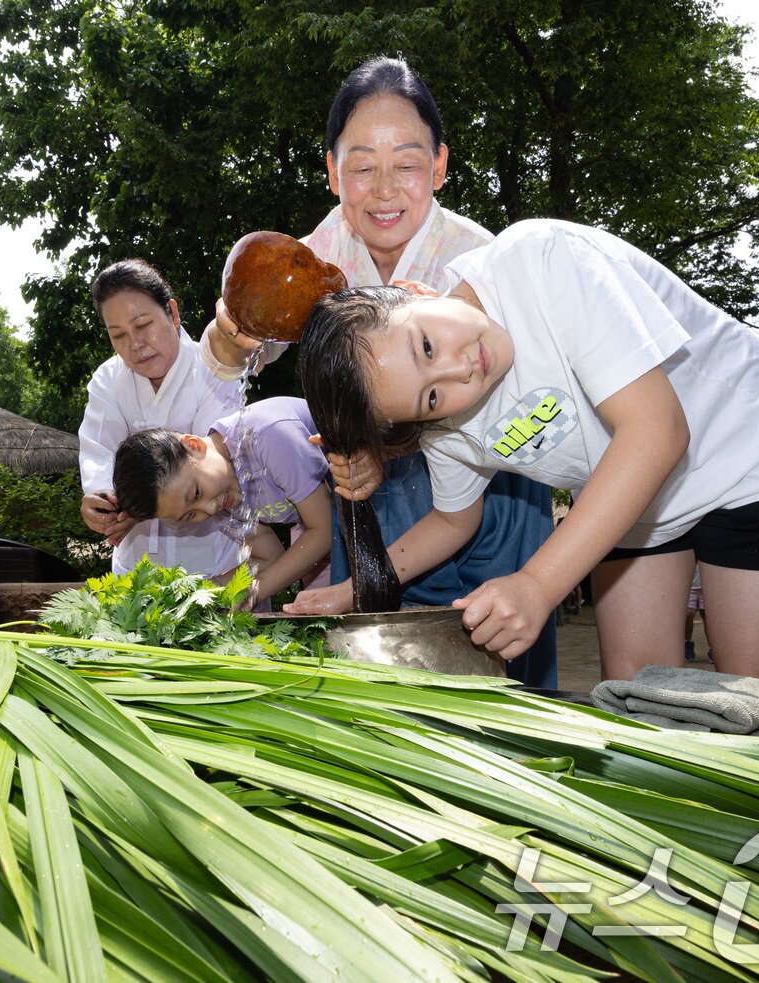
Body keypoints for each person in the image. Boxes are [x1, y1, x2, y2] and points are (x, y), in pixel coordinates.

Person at [290, 218, 759, 712]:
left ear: (414, 291)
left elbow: (657, 431)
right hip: (634, 498)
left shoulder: (541, 262)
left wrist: (538, 585)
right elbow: (456, 520)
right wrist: (349, 591)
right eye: (429, 399)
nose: (457, 373)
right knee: (639, 697)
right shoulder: (445, 423)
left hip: (744, 453)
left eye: (426, 345)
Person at [199, 55, 556, 686]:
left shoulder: (482, 260)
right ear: (334, 173)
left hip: (491, 486)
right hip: (373, 503)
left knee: (503, 674)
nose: (384, 189)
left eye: (408, 165)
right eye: (362, 167)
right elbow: (235, 355)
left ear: (440, 166)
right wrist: (229, 338)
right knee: (380, 672)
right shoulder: (311, 260)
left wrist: (378, 443)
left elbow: (516, 396)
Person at [78, 259, 244, 577]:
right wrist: (106, 503)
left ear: (173, 313)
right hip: (136, 568)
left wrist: (140, 505)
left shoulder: (215, 369)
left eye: (143, 326)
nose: (136, 345)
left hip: (217, 564)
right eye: (118, 335)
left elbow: (214, 469)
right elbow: (98, 451)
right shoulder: (108, 380)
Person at [111, 397, 332, 608]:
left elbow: (325, 531)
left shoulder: (268, 436)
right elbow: (270, 557)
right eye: (190, 516)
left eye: (196, 493)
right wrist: (204, 593)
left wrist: (253, 593)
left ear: (194, 445)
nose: (209, 509)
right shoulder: (222, 491)